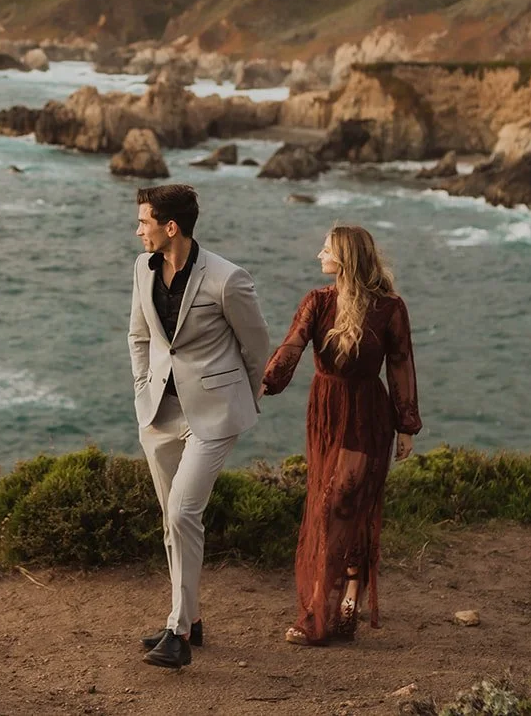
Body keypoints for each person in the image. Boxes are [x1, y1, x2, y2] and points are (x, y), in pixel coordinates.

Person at [129, 184, 271, 669]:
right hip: (160, 412)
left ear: (172, 227)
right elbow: (140, 336)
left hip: (212, 416)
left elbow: (258, 347)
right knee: (172, 521)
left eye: (144, 221)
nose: (138, 230)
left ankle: (180, 632)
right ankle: (189, 616)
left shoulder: (228, 279)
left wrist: (240, 399)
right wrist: (141, 387)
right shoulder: (141, 268)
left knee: (183, 512)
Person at [261, 224, 422, 645]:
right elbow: (293, 345)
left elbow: (401, 364)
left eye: (327, 249)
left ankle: (320, 612)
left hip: (369, 414)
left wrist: (406, 426)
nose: (319, 254)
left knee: (343, 502)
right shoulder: (318, 302)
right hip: (327, 412)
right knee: (329, 504)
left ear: (346, 257)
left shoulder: (390, 308)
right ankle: (349, 590)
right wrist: (269, 381)